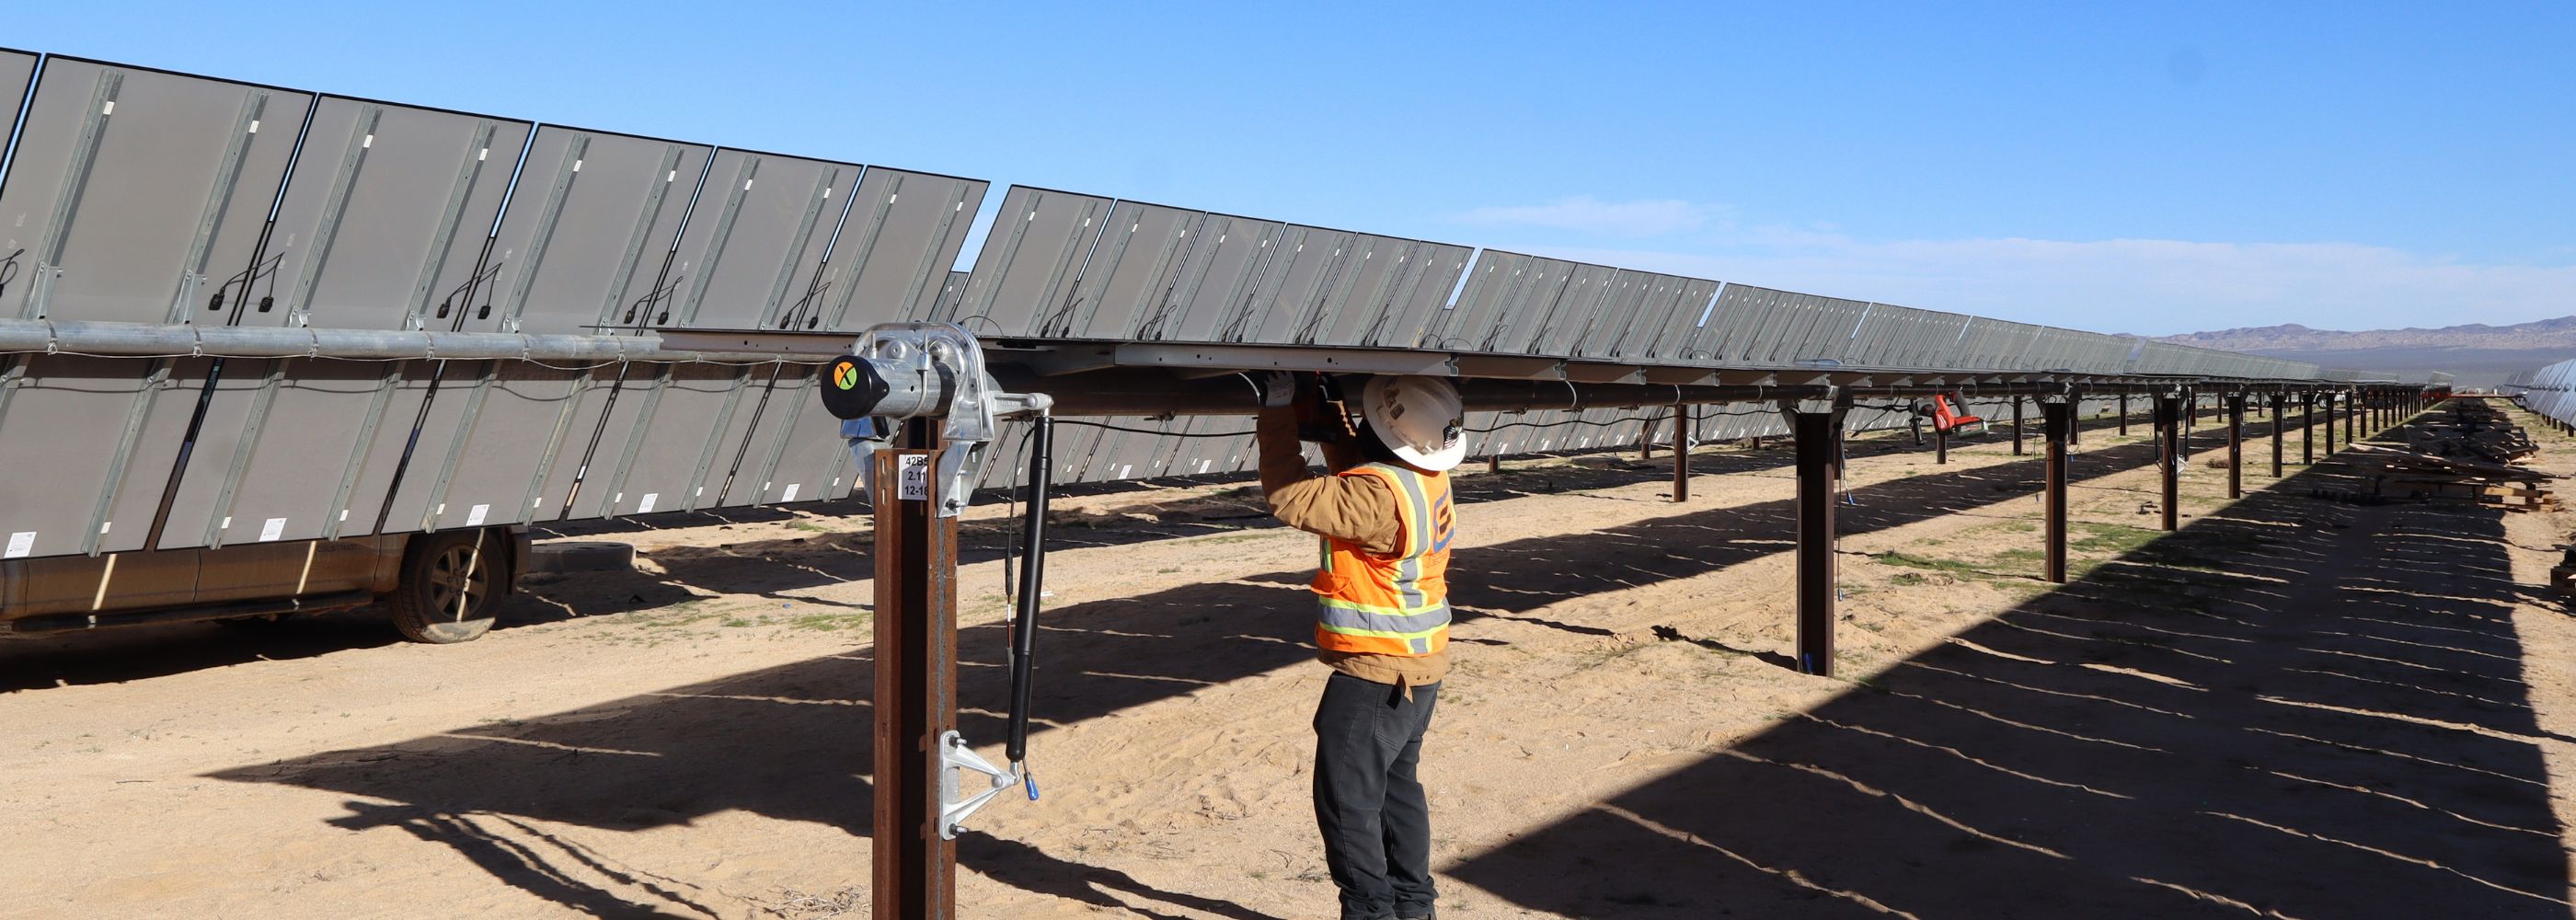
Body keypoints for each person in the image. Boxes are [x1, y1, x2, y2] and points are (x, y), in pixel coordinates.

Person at [1255, 371, 1466, 920]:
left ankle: (1369, 911)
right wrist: (1331, 425)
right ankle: (1414, 908)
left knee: (1348, 803)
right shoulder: (1422, 479)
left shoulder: (1377, 496)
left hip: (1377, 676)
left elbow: (1289, 495)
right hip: (1419, 670)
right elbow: (1364, 468)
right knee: (1397, 791)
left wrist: (1277, 409)